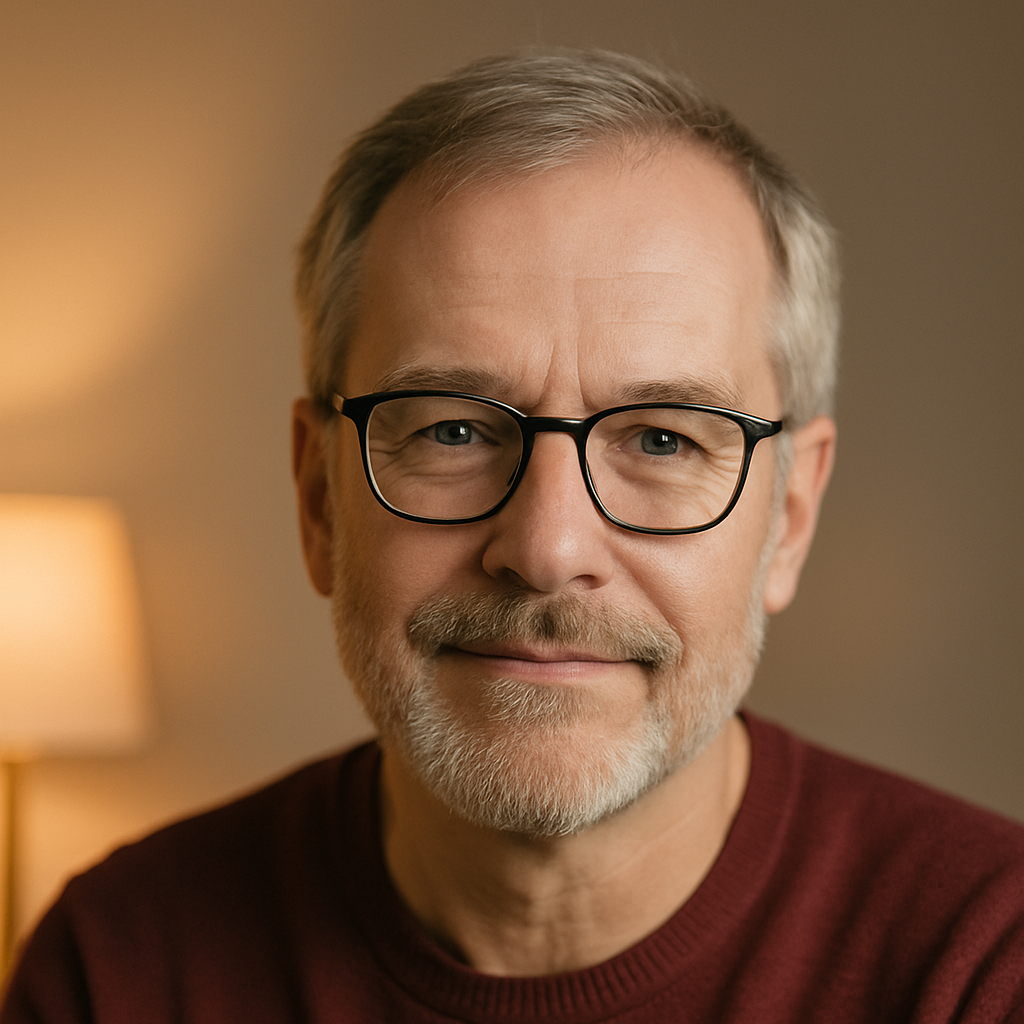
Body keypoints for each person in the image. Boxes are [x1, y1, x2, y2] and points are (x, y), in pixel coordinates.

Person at [3, 48, 1023, 1023]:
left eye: (662, 439)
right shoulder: (121, 966)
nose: (546, 548)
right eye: (452, 430)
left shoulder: (986, 965)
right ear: (318, 498)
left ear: (788, 517)